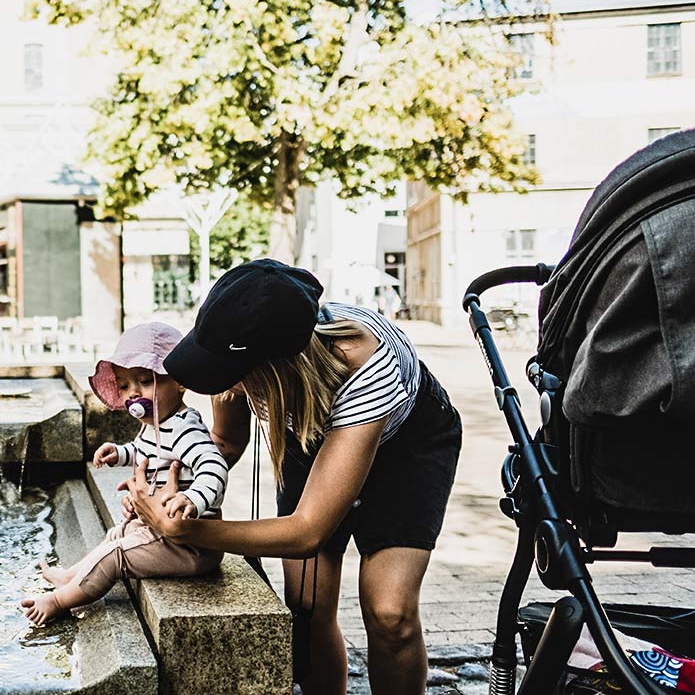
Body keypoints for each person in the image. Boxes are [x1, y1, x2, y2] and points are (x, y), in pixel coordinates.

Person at [124, 259, 461, 694]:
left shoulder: (369, 366)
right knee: (307, 605)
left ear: (275, 370)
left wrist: (186, 530)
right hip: (308, 431)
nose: (227, 388)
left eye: (235, 379)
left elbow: (306, 533)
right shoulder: (234, 342)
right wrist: (176, 491)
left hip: (407, 449)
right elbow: (225, 442)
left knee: (390, 614)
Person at [20, 322, 229, 626]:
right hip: (163, 533)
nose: (133, 394)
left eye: (145, 381)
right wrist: (121, 452)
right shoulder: (156, 424)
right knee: (117, 534)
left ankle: (59, 601)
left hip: (192, 545)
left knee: (115, 555)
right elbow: (144, 450)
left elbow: (214, 466)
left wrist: (192, 498)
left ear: (180, 381)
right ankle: (71, 576)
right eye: (124, 386)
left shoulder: (186, 429)